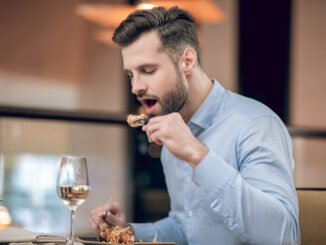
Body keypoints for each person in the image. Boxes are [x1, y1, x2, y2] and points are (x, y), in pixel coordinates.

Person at [89, 6, 300, 245]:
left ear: (187, 61)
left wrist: (197, 155)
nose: (135, 87)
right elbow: (186, 227)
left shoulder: (257, 125)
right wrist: (126, 232)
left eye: (148, 70)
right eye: (131, 75)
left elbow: (284, 237)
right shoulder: (172, 132)